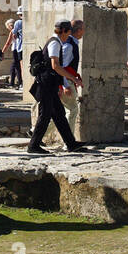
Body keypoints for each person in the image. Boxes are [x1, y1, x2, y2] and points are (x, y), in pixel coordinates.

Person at [28, 20, 87, 154]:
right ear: (65, 31)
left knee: (59, 115)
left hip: (51, 84)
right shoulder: (54, 43)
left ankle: (71, 144)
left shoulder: (58, 42)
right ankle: (33, 145)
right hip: (46, 84)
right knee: (45, 115)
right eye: (68, 32)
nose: (69, 35)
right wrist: (72, 79)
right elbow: (55, 66)